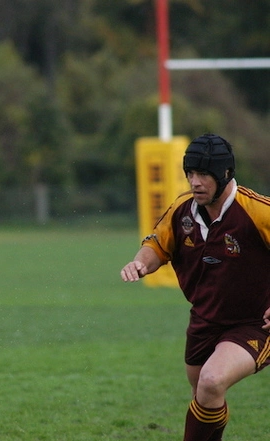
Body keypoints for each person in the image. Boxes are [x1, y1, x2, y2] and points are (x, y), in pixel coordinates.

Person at [120, 133, 270, 441]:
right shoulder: (182, 211)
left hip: (255, 323)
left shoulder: (258, 212)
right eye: (190, 173)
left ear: (225, 174)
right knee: (205, 393)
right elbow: (158, 245)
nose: (195, 182)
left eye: (203, 174)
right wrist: (141, 263)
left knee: (212, 381)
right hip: (204, 320)